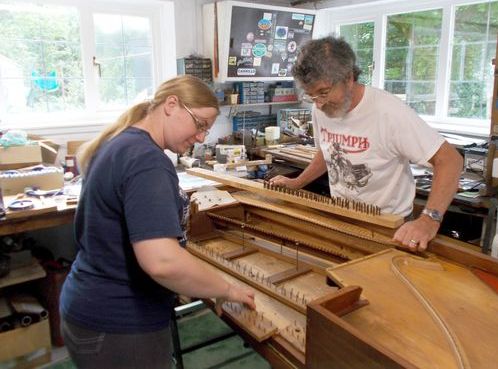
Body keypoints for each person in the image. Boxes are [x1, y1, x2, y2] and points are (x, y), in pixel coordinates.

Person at [60, 75, 256, 369]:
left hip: (87, 308)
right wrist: (226, 289)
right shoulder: (147, 160)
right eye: (200, 124)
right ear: (171, 105)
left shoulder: (120, 142)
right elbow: (162, 262)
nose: (202, 137)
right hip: (121, 324)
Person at [270, 36, 463, 252]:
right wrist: (297, 182)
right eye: (311, 95)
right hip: (343, 215)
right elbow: (329, 151)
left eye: (323, 92)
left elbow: (450, 160)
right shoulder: (321, 109)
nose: (319, 102)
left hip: (387, 226)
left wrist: (429, 219)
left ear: (349, 77)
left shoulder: (389, 112)